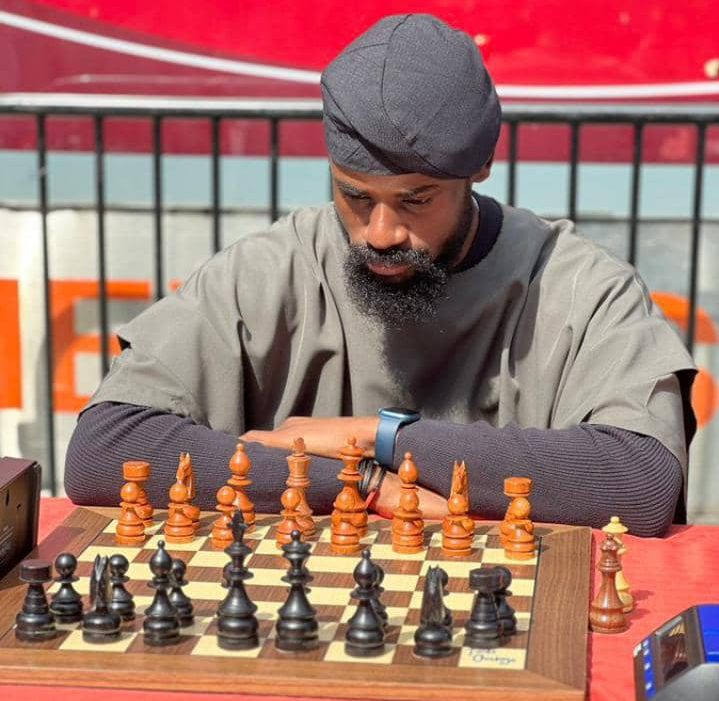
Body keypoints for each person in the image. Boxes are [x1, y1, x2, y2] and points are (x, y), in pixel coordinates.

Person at [64, 14, 696, 537]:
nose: (381, 233)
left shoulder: (576, 285)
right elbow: (104, 448)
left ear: (479, 169)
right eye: (356, 196)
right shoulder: (271, 269)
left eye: (417, 200)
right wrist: (363, 481)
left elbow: (638, 477)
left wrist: (381, 436)